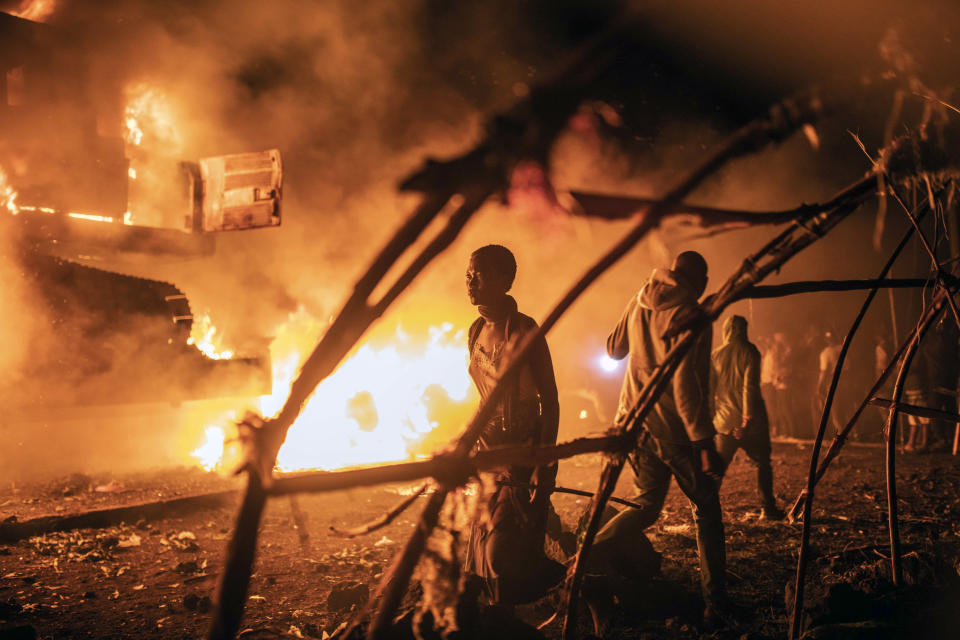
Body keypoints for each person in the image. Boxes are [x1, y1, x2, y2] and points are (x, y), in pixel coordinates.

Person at [590, 251, 728, 621]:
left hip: (635, 420)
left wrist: (640, 328)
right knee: (707, 509)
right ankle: (716, 602)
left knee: (646, 505)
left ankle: (586, 560)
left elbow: (613, 349)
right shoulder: (692, 314)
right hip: (673, 428)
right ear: (700, 283)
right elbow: (685, 383)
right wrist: (703, 442)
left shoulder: (641, 297)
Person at [463, 244, 563, 605]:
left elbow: (549, 400)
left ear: (504, 279)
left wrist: (543, 463)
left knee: (504, 555)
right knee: (480, 555)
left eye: (479, 273)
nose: (470, 280)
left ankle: (576, 582)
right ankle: (501, 617)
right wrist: (465, 443)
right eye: (469, 273)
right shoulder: (475, 331)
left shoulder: (525, 330)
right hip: (487, 457)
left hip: (523, 453)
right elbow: (484, 399)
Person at [712, 315, 784, 520]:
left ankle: (706, 509)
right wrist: (746, 419)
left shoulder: (716, 355)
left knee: (717, 468)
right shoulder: (750, 351)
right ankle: (767, 509)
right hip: (751, 422)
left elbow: (710, 391)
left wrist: (711, 419)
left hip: (724, 421)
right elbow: (749, 386)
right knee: (762, 463)